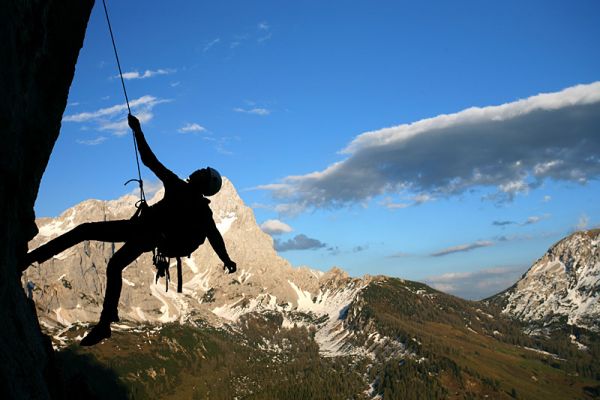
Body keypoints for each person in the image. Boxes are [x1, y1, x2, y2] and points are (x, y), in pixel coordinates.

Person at [23, 114, 237, 346]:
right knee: (113, 263)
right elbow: (214, 237)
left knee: (90, 236)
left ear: (203, 182)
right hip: (148, 236)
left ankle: (34, 259)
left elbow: (149, 160)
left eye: (202, 173)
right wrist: (227, 260)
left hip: (142, 231)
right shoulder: (203, 212)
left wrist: (137, 131)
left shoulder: (177, 186)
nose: (197, 171)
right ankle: (104, 322)